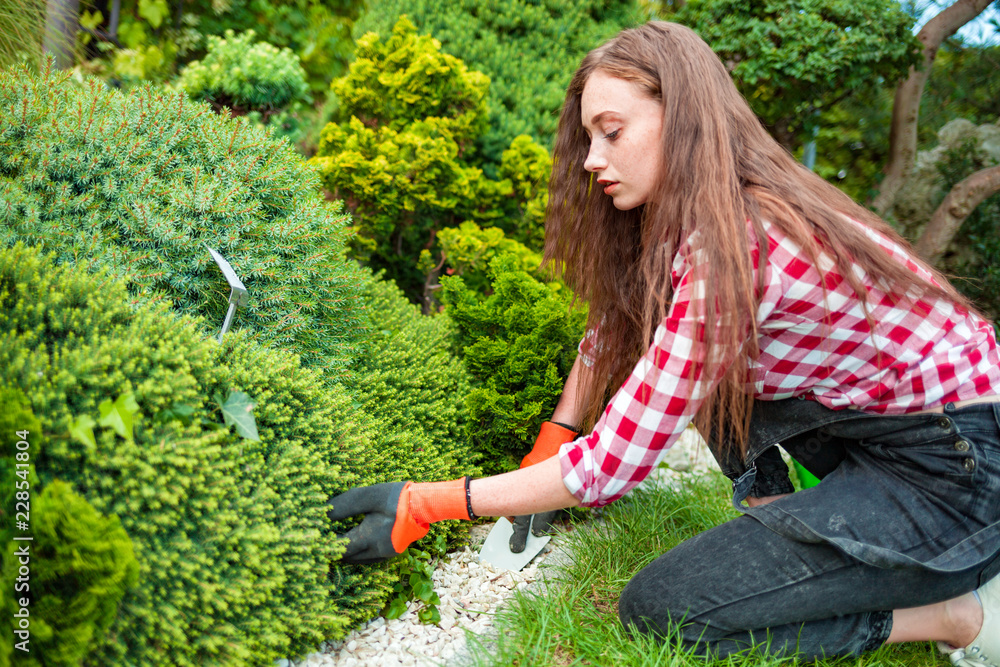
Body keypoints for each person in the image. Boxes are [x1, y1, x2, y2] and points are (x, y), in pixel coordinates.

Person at [327, 21, 1000, 663]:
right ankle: (789, 512)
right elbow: (615, 327)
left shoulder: (738, 239)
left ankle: (955, 615)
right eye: (590, 136)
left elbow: (614, 463)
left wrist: (430, 501)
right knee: (659, 328)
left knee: (666, 608)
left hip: (959, 473)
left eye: (611, 132)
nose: (592, 159)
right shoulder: (704, 213)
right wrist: (557, 430)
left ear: (680, 117)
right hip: (888, 428)